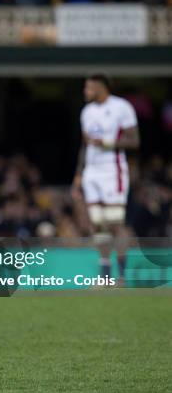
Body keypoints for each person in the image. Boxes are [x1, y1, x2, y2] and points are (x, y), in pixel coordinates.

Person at [71, 74, 140, 287]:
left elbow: (134, 140)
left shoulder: (121, 107)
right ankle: (105, 276)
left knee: (115, 223)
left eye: (89, 87)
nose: (85, 91)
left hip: (113, 169)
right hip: (92, 171)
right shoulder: (87, 112)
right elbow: (85, 145)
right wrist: (79, 175)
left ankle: (121, 275)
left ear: (101, 88)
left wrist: (107, 143)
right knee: (97, 223)